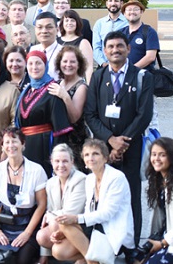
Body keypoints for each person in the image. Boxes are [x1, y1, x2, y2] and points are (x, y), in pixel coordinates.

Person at [84, 30, 154, 244]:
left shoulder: (143, 76)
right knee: (104, 195)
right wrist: (110, 141)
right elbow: (90, 114)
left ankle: (130, 245)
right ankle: (106, 244)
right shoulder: (98, 76)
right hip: (103, 149)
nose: (115, 50)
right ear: (104, 51)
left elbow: (145, 114)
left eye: (119, 46)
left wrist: (122, 143)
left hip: (132, 147)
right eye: (111, 47)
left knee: (131, 195)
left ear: (128, 49)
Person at [45, 139, 135, 263]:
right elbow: (88, 211)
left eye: (95, 154)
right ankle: (92, 259)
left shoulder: (116, 177)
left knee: (66, 223)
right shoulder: (89, 179)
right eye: (87, 155)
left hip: (112, 232)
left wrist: (76, 219)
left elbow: (108, 213)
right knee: (58, 251)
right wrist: (64, 232)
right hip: (95, 229)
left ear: (105, 158)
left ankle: (91, 261)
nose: (91, 158)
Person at [0, 128, 47, 264]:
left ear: (23, 144)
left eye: (14, 141)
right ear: (2, 146)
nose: (11, 146)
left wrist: (27, 233)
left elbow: (42, 204)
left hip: (28, 225)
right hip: (3, 226)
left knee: (20, 261)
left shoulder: (36, 170)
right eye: (7, 142)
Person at [15, 50, 72, 175]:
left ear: (45, 66)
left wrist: (56, 158)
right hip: (25, 147)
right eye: (30, 64)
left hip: (44, 147)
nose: (34, 67)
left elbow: (60, 128)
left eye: (38, 63)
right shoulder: (27, 90)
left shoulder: (53, 89)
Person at [34, 144, 86, 262]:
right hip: (62, 226)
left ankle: (86, 255)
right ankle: (70, 253)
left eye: (65, 161)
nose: (61, 165)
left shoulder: (80, 179)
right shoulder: (51, 183)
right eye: (57, 161)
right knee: (41, 236)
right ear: (51, 162)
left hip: (80, 227)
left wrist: (49, 215)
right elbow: (50, 210)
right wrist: (44, 255)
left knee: (54, 227)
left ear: (72, 162)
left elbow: (69, 213)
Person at [47, 46, 89, 160]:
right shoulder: (57, 83)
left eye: (72, 61)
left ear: (79, 64)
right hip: (58, 137)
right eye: (65, 61)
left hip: (75, 141)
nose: (68, 64)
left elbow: (74, 118)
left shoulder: (81, 87)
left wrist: (65, 96)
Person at [142, 137, 173, 263]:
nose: (156, 159)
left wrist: (162, 243)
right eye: (154, 154)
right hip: (164, 237)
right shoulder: (160, 181)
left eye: (162, 155)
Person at [92, 0, 126, 66]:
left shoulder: (127, 23)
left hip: (123, 66)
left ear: (121, 3)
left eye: (116, 1)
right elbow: (96, 47)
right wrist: (103, 63)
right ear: (107, 4)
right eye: (110, 1)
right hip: (104, 66)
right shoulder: (99, 23)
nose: (113, 4)